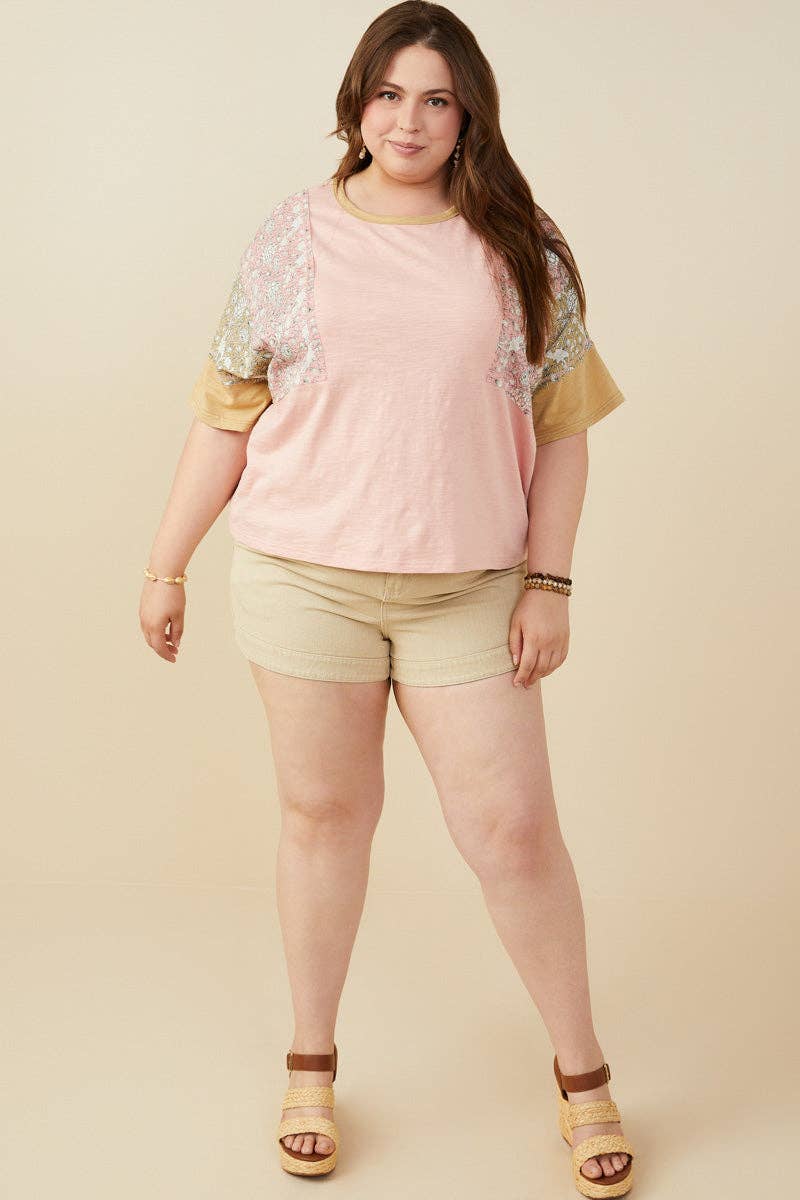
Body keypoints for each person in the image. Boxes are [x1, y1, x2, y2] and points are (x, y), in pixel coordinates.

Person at [139, 2, 635, 1194]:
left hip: (467, 587)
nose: (407, 121)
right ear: (356, 103)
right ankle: (309, 1061)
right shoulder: (290, 237)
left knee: (511, 834)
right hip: (302, 578)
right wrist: (166, 563)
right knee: (324, 818)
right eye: (387, 94)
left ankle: (582, 1077)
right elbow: (227, 412)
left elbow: (564, 429)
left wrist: (548, 581)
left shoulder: (520, 244)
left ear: (468, 116)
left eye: (435, 99)